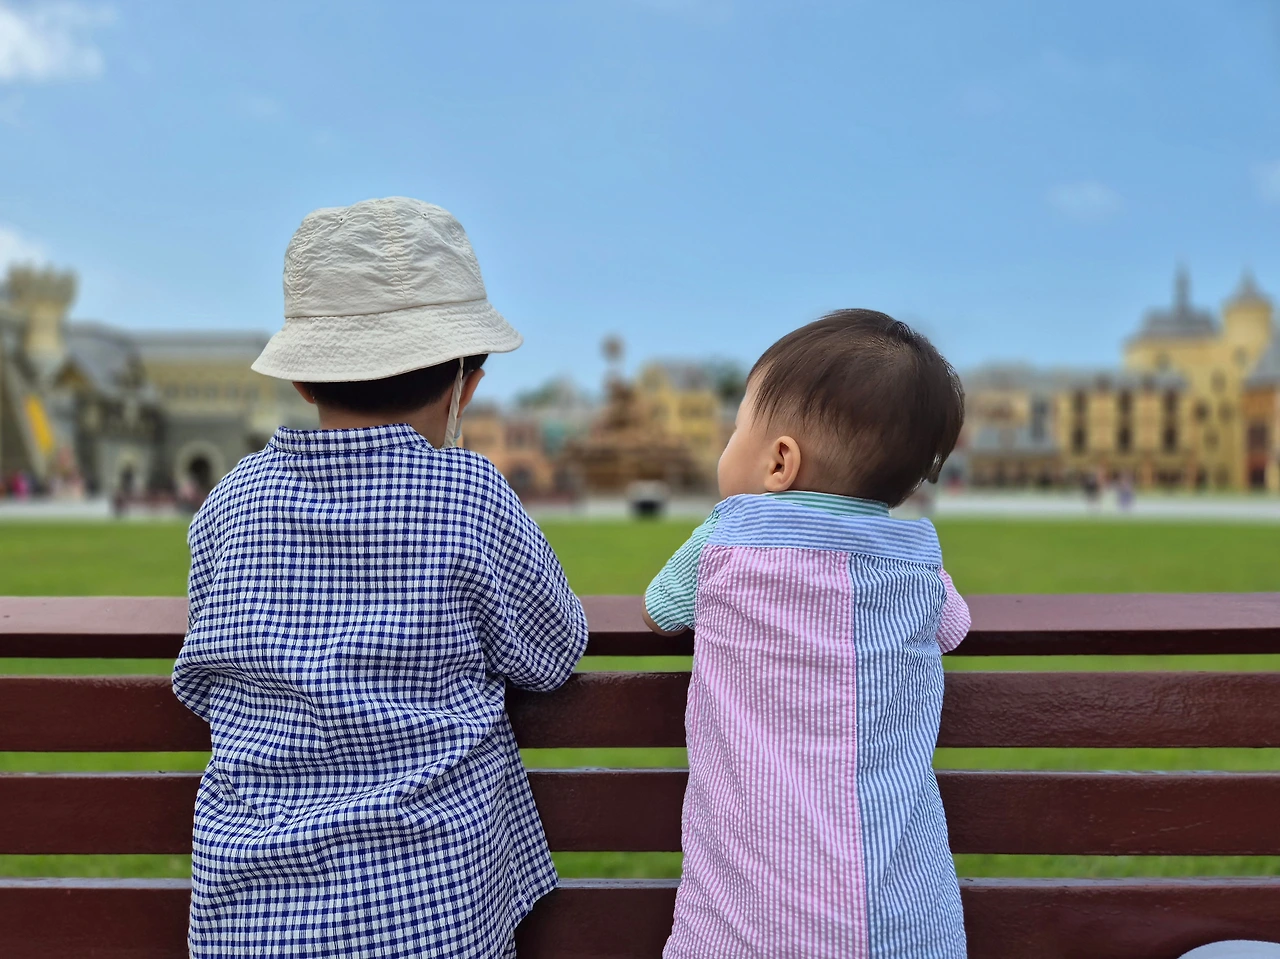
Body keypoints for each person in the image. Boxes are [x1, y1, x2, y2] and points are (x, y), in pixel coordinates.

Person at [171, 198, 589, 959]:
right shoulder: (468, 494)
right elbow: (552, 652)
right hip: (434, 907)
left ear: (304, 380)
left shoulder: (232, 502)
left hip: (248, 914)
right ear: (466, 383)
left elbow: (207, 669)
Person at [644, 310, 970, 959]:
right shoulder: (917, 563)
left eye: (736, 429)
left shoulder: (726, 538)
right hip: (902, 922)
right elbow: (953, 628)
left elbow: (660, 609)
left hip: (749, 923)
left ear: (779, 461)